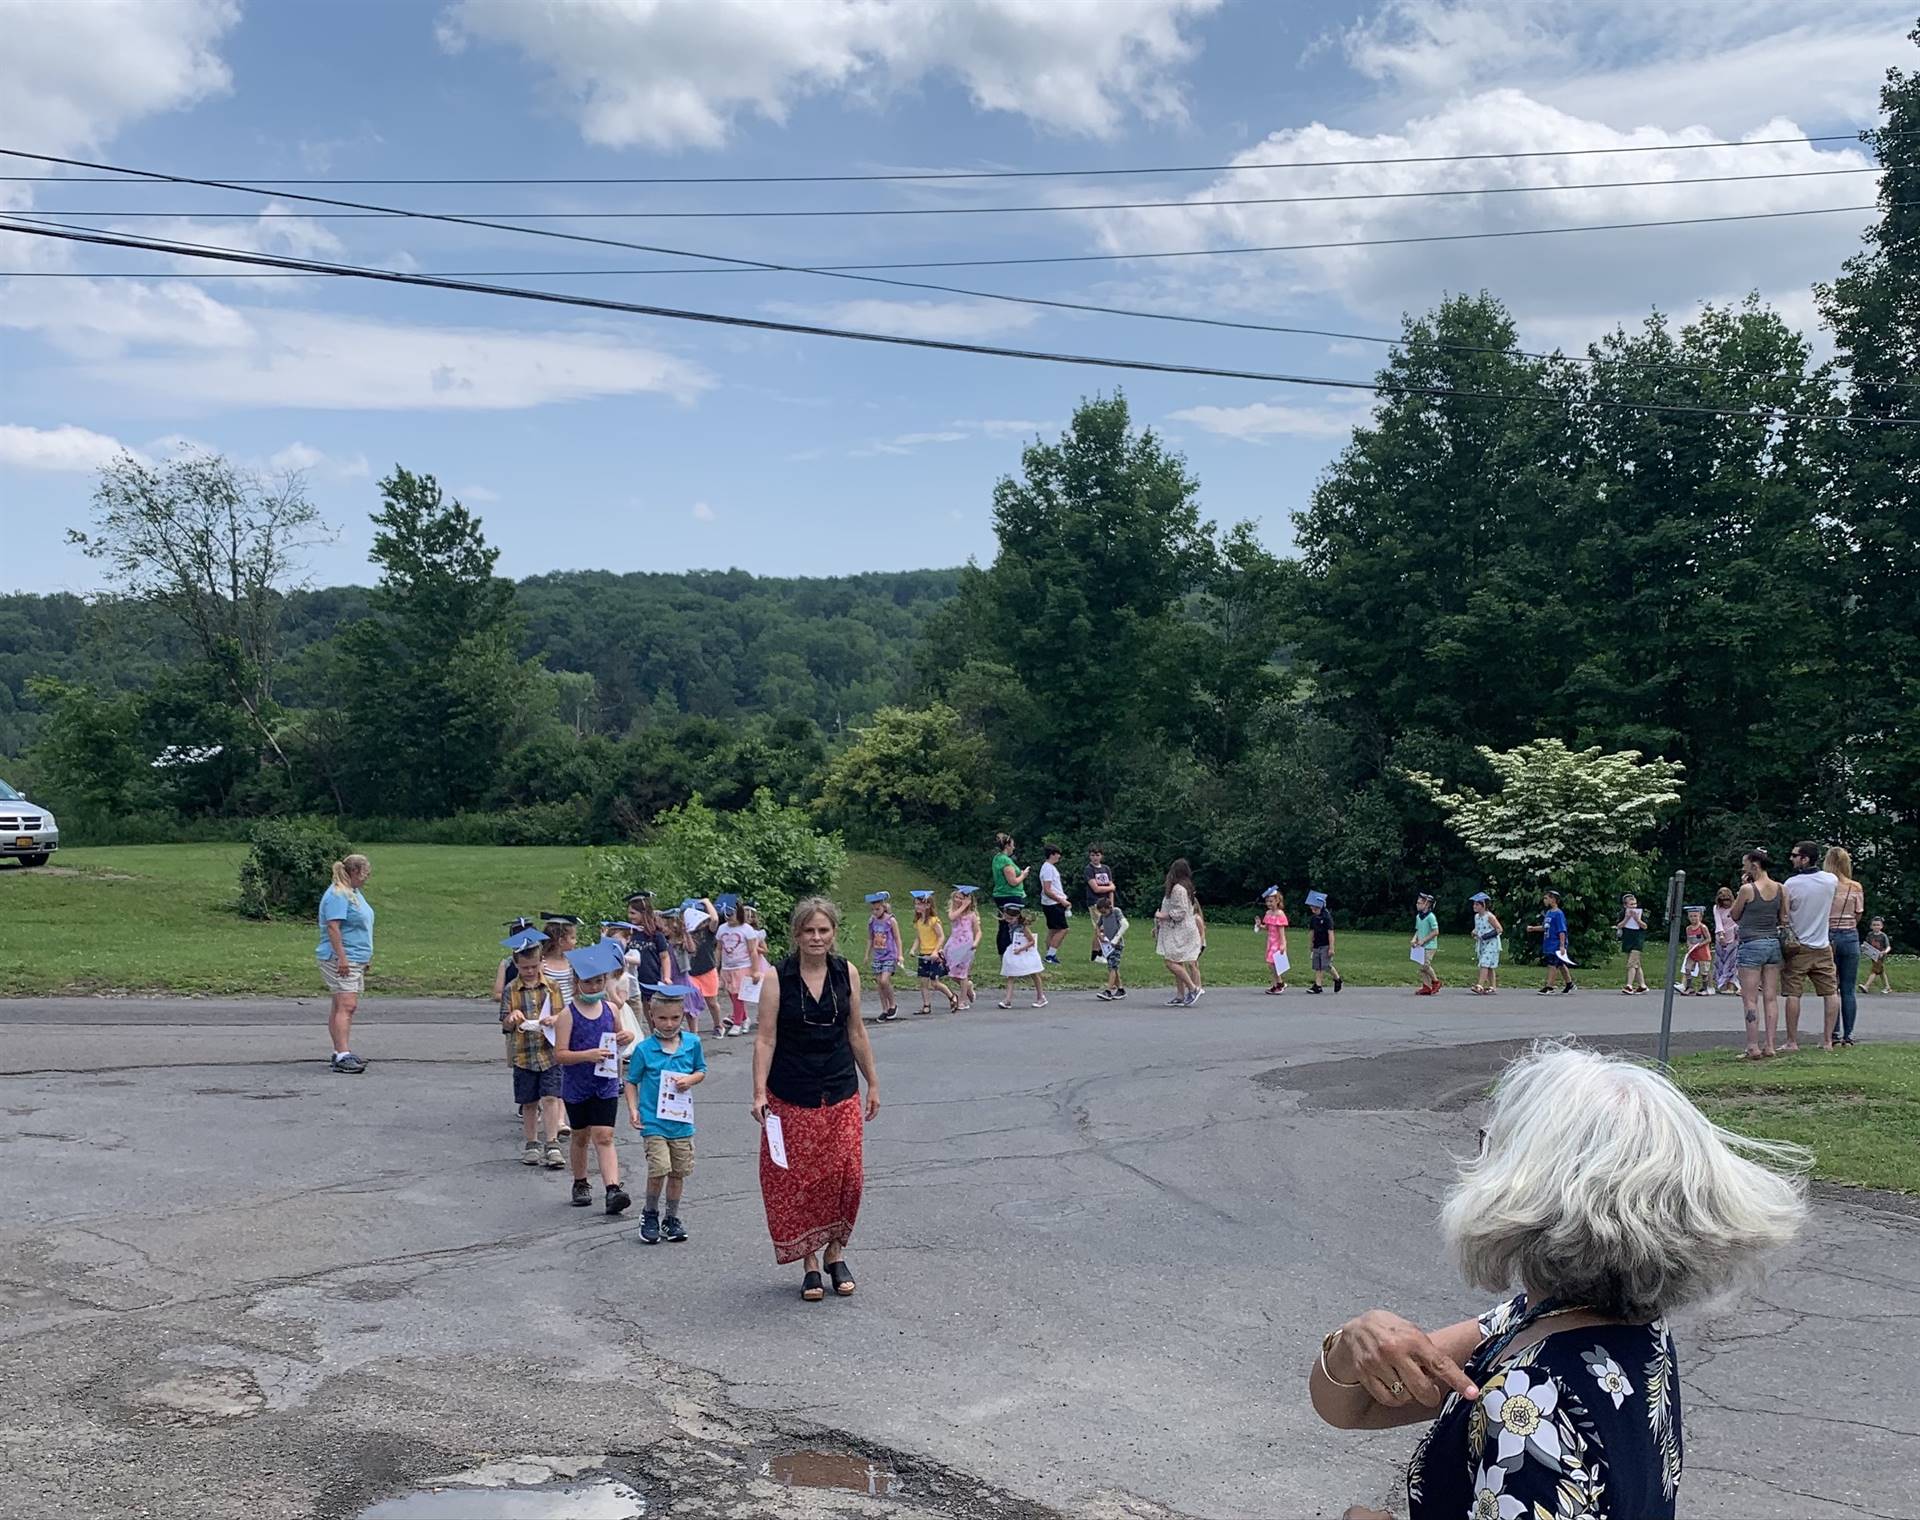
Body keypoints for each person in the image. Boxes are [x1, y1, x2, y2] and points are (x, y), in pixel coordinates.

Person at [1310, 1044, 1806, 1520]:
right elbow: (1360, 1404)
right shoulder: (1611, 1324)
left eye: (1492, 1145)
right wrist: (1351, 1345)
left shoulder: (1529, 1398)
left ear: (1533, 1184)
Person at [751, 897, 880, 1302]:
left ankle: (835, 1252)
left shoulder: (848, 973)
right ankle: (809, 1262)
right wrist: (758, 1092)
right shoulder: (778, 978)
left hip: (840, 1088)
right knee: (800, 1180)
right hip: (791, 1092)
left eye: (824, 930)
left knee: (846, 1178)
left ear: (834, 933)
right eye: (809, 930)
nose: (817, 937)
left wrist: (872, 1083)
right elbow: (766, 1037)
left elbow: (856, 1032)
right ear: (797, 934)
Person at [552, 939, 637, 1216]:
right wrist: (587, 1054)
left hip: (605, 1082)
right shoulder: (568, 1014)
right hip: (578, 1084)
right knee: (580, 1136)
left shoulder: (611, 1009)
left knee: (605, 1135)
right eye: (588, 982)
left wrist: (626, 1036)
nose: (594, 988)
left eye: (599, 982)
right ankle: (580, 1181)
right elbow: (560, 1054)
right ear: (577, 982)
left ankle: (613, 1188)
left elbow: (619, 1038)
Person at [623, 985, 705, 1245]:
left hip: (681, 1121)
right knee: (659, 1167)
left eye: (674, 1018)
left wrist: (690, 1079)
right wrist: (634, 1109)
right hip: (654, 1120)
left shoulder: (692, 1043)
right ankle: (650, 1213)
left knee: (678, 1171)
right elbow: (631, 1080)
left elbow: (701, 1069)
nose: (668, 1024)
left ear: (682, 1016)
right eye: (662, 1018)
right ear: (651, 1016)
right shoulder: (644, 1049)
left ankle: (672, 1217)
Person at [499, 929, 566, 1169]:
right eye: (525, 967)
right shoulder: (511, 990)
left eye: (534, 967)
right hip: (523, 1053)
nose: (530, 972)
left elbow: (562, 1015)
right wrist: (513, 1017)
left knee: (550, 1097)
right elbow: (505, 1022)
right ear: (516, 964)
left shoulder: (552, 987)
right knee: (529, 1101)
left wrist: (555, 1020)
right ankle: (531, 1142)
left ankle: (552, 1142)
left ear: (541, 963)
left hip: (548, 1051)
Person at [1781, 840, 1841, 1052]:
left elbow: (1785, 915)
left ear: (1805, 858)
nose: (1792, 858)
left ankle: (1792, 1041)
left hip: (1799, 946)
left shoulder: (1791, 884)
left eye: (1795, 855)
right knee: (1830, 992)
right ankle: (1827, 1041)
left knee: (1793, 993)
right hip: (1823, 944)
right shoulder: (1830, 880)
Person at [317, 853, 375, 1075]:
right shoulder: (337, 895)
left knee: (341, 1004)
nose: (366, 878)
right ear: (354, 872)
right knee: (347, 1005)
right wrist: (342, 958)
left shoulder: (353, 893)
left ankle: (339, 1051)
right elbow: (333, 927)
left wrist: (364, 957)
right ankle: (342, 1054)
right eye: (364, 874)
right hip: (342, 958)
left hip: (355, 957)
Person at [1730, 848, 1787, 1059]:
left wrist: (1742, 888)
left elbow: (1734, 914)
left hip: (1751, 944)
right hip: (1772, 943)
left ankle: (1752, 1046)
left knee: (1750, 998)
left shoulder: (1747, 889)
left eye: (1745, 864)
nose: (1743, 868)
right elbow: (1784, 917)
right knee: (1771, 997)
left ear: (1754, 866)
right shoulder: (1781, 889)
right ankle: (1770, 1044)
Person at [1825, 846, 1865, 1047]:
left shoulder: (1825, 885)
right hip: (1849, 935)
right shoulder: (1855, 887)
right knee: (1848, 988)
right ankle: (1848, 1035)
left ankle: (1833, 1032)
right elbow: (1858, 913)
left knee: (1831, 988)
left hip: (1828, 935)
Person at [1153, 859, 1203, 1007]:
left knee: (1170, 962)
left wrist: (1162, 916)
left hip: (1180, 930)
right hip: (1178, 929)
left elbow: (1180, 912)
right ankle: (1180, 995)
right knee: (1177, 961)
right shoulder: (1183, 887)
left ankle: (1193, 988)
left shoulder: (1178, 889)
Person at [716, 899, 766, 1036]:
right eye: (726, 914)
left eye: (731, 914)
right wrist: (717, 966)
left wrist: (755, 970)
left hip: (742, 966)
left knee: (737, 995)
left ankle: (737, 1023)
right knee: (731, 994)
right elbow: (719, 949)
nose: (728, 917)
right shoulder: (722, 929)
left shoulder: (747, 929)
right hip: (727, 967)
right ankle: (744, 1018)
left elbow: (752, 951)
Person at [907, 890, 959, 1015]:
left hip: (934, 955)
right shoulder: (919, 922)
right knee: (923, 982)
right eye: (916, 904)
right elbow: (919, 937)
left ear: (928, 905)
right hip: (923, 954)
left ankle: (952, 996)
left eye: (919, 904)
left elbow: (941, 936)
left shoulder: (934, 921)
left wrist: (936, 951)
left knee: (935, 983)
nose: (917, 907)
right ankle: (926, 1005)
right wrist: (913, 949)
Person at [683, 898, 725, 1037]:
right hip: (691, 973)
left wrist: (706, 902)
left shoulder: (709, 930)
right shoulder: (687, 932)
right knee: (691, 1004)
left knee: (712, 1003)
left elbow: (714, 919)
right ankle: (693, 1032)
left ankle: (718, 1025)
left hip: (708, 970)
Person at [863, 891, 903, 1022]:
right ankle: (884, 1009)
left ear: (884, 907)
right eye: (873, 909)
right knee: (879, 983)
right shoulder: (872, 921)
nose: (875, 912)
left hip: (889, 955)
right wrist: (867, 954)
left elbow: (897, 938)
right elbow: (870, 938)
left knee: (885, 980)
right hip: (878, 955)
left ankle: (892, 1005)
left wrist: (900, 955)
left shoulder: (891, 921)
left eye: (878, 909)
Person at [1527, 890, 1576, 995]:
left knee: (1552, 965)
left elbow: (1562, 930)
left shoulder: (1558, 914)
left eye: (1546, 898)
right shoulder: (1549, 913)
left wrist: (1562, 946)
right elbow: (1545, 927)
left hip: (1556, 944)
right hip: (1549, 943)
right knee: (1561, 964)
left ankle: (1549, 987)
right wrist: (1533, 928)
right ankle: (1569, 983)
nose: (1544, 900)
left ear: (1553, 899)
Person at [999, 906, 1047, 1009]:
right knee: (1011, 975)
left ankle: (1041, 997)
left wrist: (1021, 949)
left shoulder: (1023, 928)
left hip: (1025, 952)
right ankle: (1007, 1000)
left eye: (1011, 919)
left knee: (1034, 973)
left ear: (1017, 917)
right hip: (1015, 950)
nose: (1008, 921)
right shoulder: (1010, 926)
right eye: (1006, 918)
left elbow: (1032, 941)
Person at [990, 832, 1029, 956]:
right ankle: (1011, 954)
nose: (1014, 847)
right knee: (1013, 926)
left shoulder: (997, 858)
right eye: (1012, 845)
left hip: (1000, 895)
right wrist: (1023, 875)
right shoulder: (1006, 861)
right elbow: (1013, 882)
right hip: (1011, 896)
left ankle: (1003, 955)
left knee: (1003, 925)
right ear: (1007, 846)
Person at [946, 887, 981, 1010]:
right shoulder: (953, 912)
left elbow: (978, 932)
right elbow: (952, 917)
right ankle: (968, 986)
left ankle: (962, 1000)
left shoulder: (972, 915)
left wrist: (975, 943)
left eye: (962, 898)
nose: (958, 900)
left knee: (963, 973)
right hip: (954, 944)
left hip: (967, 946)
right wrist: (962, 906)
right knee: (951, 972)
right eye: (957, 897)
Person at [1038, 845, 1072, 965]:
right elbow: (1047, 889)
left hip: (1051, 903)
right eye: (1057, 854)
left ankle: (1049, 954)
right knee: (1063, 929)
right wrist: (1061, 901)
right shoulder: (1048, 868)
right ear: (1052, 854)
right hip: (1053, 903)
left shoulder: (1049, 867)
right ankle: (1050, 955)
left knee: (1053, 929)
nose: (1059, 856)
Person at [1093, 892, 1129, 1001]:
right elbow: (1097, 926)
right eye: (1101, 912)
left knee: (1113, 967)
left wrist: (1115, 939)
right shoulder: (1103, 916)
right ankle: (1121, 989)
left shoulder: (1116, 912)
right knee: (1113, 966)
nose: (1103, 914)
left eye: (1104, 911)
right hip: (1108, 946)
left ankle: (1108, 990)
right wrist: (1099, 934)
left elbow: (1125, 925)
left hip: (1117, 945)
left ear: (1109, 907)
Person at [540, 913, 580, 1007]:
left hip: (569, 1010)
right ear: (561, 941)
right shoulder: (542, 964)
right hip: (550, 1010)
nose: (576, 941)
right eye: (573, 938)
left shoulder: (571, 962)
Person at [1305, 890, 1341, 994]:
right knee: (1318, 966)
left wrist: (1331, 947)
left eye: (1315, 907)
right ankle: (1318, 986)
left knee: (1326, 965)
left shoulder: (1327, 918)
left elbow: (1330, 933)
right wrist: (1311, 943)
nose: (1313, 909)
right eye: (1311, 907)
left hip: (1325, 945)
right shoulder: (1313, 919)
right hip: (1317, 944)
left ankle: (1337, 979)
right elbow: (1312, 931)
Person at [1616, 893, 1649, 995]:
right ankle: (1642, 985)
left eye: (1635, 904)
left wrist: (1637, 919)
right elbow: (1619, 925)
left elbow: (1645, 926)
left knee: (1631, 963)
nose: (1634, 906)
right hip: (1627, 940)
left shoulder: (1639, 913)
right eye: (1631, 904)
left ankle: (1629, 985)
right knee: (1636, 964)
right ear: (1625, 905)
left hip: (1637, 941)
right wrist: (1626, 918)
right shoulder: (1623, 913)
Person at [1469, 892, 1502, 995]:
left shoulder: (1489, 916)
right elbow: (1478, 928)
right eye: (1474, 904)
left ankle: (1480, 985)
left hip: (1491, 943)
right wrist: (1474, 932)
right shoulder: (1477, 917)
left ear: (1483, 905)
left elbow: (1499, 929)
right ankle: (1492, 986)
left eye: (1477, 904)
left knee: (1484, 963)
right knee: (1490, 966)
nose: (1474, 906)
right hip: (1482, 944)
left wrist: (1486, 936)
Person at [1259, 887, 1290, 995]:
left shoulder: (1279, 914)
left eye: (1271, 901)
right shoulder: (1268, 913)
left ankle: (1279, 983)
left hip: (1277, 942)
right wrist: (1259, 926)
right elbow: (1267, 927)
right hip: (1270, 941)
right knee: (1271, 964)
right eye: (1267, 901)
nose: (1269, 904)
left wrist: (1283, 944)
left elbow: (1282, 932)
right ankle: (1276, 984)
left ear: (1277, 901)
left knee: (1272, 964)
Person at [1711, 886, 1740, 995]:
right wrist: (1721, 936)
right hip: (1721, 937)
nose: (1726, 903)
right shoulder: (1716, 908)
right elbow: (1718, 923)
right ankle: (1721, 985)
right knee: (1720, 962)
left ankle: (1731, 985)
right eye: (1723, 900)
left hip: (1734, 937)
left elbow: (1738, 920)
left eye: (1727, 900)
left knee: (1732, 963)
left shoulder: (1736, 906)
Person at [1411, 891, 1440, 996]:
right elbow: (1418, 930)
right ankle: (1426, 986)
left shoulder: (1431, 917)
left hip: (1430, 946)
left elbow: (1435, 931)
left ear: (1426, 904)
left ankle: (1436, 982)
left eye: (1419, 903)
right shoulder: (1419, 917)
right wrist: (1415, 939)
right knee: (1421, 967)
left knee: (1425, 966)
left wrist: (1424, 940)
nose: (1417, 905)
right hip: (1421, 946)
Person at [1681, 906, 1712, 995]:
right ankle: (1689, 987)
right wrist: (1689, 945)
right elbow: (1688, 939)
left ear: (1700, 917)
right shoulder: (1688, 929)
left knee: (1704, 972)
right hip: (1693, 953)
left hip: (1702, 953)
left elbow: (1708, 939)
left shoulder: (1703, 927)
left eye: (1695, 916)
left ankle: (1704, 988)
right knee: (1687, 968)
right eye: (1691, 916)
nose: (1693, 918)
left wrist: (1699, 945)